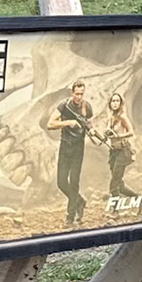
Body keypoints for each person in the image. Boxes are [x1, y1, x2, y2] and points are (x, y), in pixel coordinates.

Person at [44, 79, 95, 226]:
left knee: (74, 182)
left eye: (81, 94)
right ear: (72, 93)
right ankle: (79, 200)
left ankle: (70, 216)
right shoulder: (64, 105)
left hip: (78, 147)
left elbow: (89, 122)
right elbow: (50, 124)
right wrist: (68, 122)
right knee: (61, 182)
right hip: (65, 146)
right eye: (77, 94)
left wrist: (91, 130)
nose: (79, 97)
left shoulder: (87, 107)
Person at [96, 92, 135, 199]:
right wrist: (103, 136)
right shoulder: (110, 118)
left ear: (121, 103)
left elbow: (131, 132)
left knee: (114, 184)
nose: (115, 103)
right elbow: (109, 133)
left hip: (123, 151)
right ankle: (139, 198)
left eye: (117, 101)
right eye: (113, 101)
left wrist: (119, 136)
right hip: (113, 152)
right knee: (119, 185)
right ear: (110, 103)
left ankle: (115, 211)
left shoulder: (122, 117)